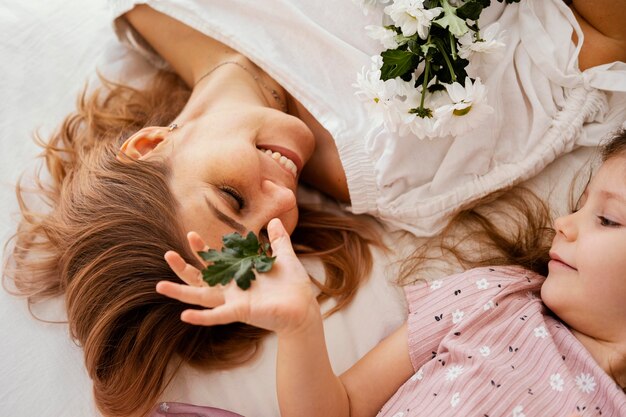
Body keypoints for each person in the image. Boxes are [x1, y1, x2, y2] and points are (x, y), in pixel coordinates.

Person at [3, 0, 626, 416]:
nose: (280, 198)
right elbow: (599, 35)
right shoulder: (404, 155)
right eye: (265, 235)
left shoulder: (147, 14)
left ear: (149, 144)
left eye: (230, 199)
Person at [157, 127, 626, 415]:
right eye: (582, 207)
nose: (563, 225)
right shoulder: (494, 301)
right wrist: (300, 325)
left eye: (607, 219)